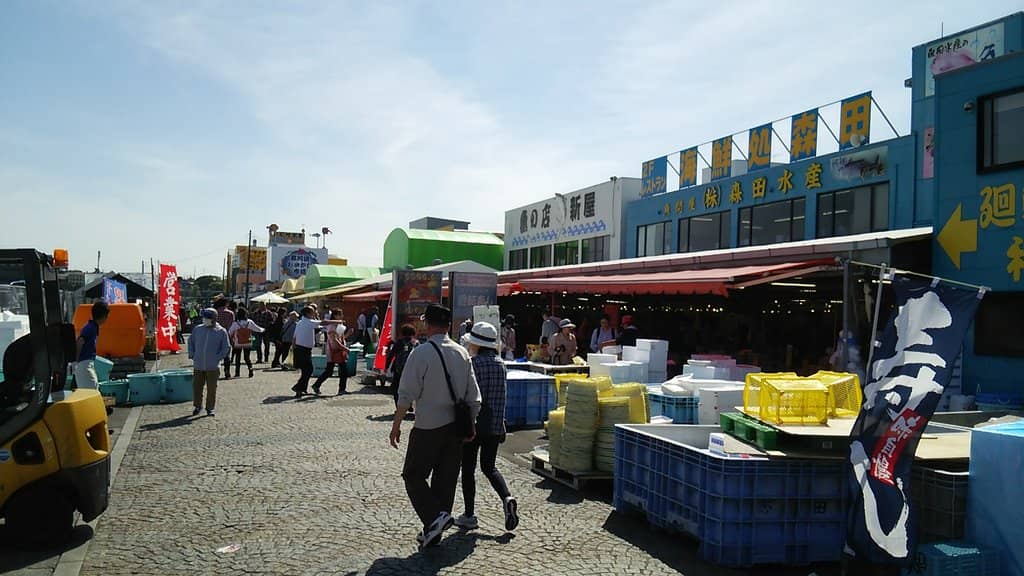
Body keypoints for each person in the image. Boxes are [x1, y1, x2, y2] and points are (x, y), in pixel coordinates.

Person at [389, 304, 482, 550]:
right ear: (449, 325)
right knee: (446, 480)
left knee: (413, 474)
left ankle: (434, 518)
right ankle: (434, 531)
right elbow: (474, 396)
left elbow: (407, 393)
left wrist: (396, 424)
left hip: (428, 426)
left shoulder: (421, 353)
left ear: (426, 324)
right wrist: (470, 424)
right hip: (456, 428)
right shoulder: (462, 353)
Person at [454, 322, 519, 532]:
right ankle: (507, 497)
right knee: (489, 467)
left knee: (468, 469)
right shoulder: (501, 365)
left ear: (476, 344)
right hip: (494, 426)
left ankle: (469, 515)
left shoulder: (472, 364)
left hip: (473, 425)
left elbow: (468, 395)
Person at [291, 307, 343, 397]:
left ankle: (302, 389)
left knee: (306, 370)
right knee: (308, 369)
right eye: (313, 312)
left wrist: (293, 347)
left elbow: (294, 337)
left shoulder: (301, 322)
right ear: (308, 313)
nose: (315, 313)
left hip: (301, 349)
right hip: (303, 349)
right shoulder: (308, 322)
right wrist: (337, 322)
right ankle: (298, 387)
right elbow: (324, 322)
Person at [188, 308, 230, 416]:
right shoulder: (198, 329)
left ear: (214, 318)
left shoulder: (221, 331)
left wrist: (218, 358)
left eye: (208, 317)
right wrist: (192, 354)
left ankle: (210, 408)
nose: (205, 319)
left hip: (213, 366)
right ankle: (197, 406)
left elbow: (226, 347)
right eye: (204, 317)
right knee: (197, 387)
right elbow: (190, 342)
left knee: (212, 389)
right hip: (198, 364)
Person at [74, 301, 109, 389]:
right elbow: (80, 341)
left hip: (86, 364)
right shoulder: (91, 328)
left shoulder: (92, 326)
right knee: (92, 391)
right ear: (104, 316)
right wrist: (75, 361)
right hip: (84, 364)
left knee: (92, 389)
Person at [386, 324, 419, 407]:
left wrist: (386, 367)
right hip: (412, 370)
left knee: (397, 388)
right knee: (410, 388)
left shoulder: (399, 342)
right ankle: (410, 404)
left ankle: (399, 407)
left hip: (399, 370)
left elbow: (391, 355)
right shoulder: (416, 343)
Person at [312, 323, 349, 395]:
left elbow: (341, 339)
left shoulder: (338, 327)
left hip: (337, 352)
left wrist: (348, 334)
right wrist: (345, 349)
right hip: (333, 352)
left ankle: (316, 385)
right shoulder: (331, 327)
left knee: (335, 371)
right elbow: (335, 340)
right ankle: (341, 389)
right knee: (334, 371)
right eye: (339, 315)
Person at [228, 308, 265, 378]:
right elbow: (257, 329)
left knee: (238, 357)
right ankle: (250, 369)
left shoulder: (235, 323)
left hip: (238, 342)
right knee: (247, 357)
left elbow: (230, 332)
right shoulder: (249, 322)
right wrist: (263, 330)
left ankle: (237, 372)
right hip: (248, 341)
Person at [215, 299, 235, 379]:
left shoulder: (215, 312)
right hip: (227, 335)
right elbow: (232, 326)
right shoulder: (230, 313)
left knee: (216, 354)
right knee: (227, 355)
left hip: (216, 334)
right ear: (226, 304)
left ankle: (216, 371)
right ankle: (227, 372)